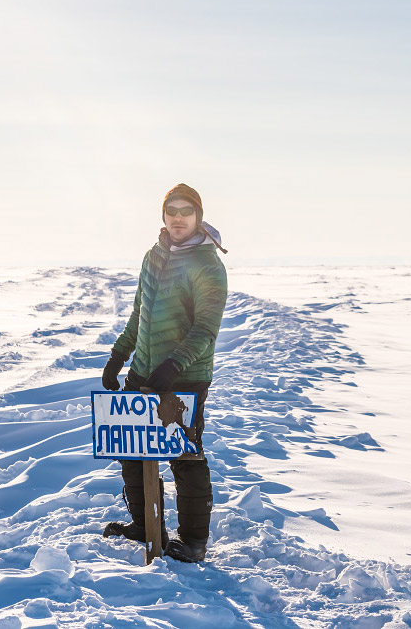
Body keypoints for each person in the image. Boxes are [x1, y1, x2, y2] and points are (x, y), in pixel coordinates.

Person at [101, 183, 228, 563]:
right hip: (142, 373)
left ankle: (192, 543)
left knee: (184, 454)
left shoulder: (208, 264)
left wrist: (174, 365)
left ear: (198, 217)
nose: (177, 217)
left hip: (184, 377)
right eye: (171, 210)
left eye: (186, 211)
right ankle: (144, 524)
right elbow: (139, 313)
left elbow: (206, 329)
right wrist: (118, 356)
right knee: (132, 448)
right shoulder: (153, 256)